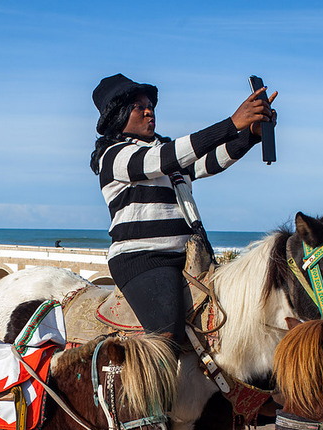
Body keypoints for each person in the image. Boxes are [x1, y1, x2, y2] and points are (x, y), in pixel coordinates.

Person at [90, 73, 276, 347]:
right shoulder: (115, 155)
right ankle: (155, 388)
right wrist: (232, 123)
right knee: (169, 338)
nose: (148, 110)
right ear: (119, 115)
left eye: (149, 105)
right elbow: (166, 158)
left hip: (189, 257)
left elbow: (209, 162)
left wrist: (250, 135)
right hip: (145, 260)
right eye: (137, 106)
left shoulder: (164, 152)